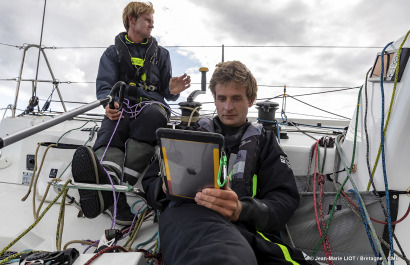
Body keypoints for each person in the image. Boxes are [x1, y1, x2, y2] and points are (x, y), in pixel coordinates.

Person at [142, 61, 318, 264]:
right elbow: (150, 180)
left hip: (242, 228)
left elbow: (284, 199)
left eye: (236, 98)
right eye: (222, 98)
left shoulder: (264, 143)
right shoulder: (187, 136)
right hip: (188, 217)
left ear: (251, 100)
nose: (228, 107)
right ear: (215, 100)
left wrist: (241, 209)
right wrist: (164, 186)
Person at [71, 1, 191, 225]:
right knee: (113, 123)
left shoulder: (162, 54)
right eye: (148, 20)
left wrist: (172, 90)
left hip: (151, 106)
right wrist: (110, 104)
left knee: (153, 117)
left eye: (152, 22)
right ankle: (113, 189)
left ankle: (112, 189)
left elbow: (167, 90)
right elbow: (105, 86)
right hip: (122, 104)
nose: (152, 26)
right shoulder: (112, 53)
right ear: (132, 20)